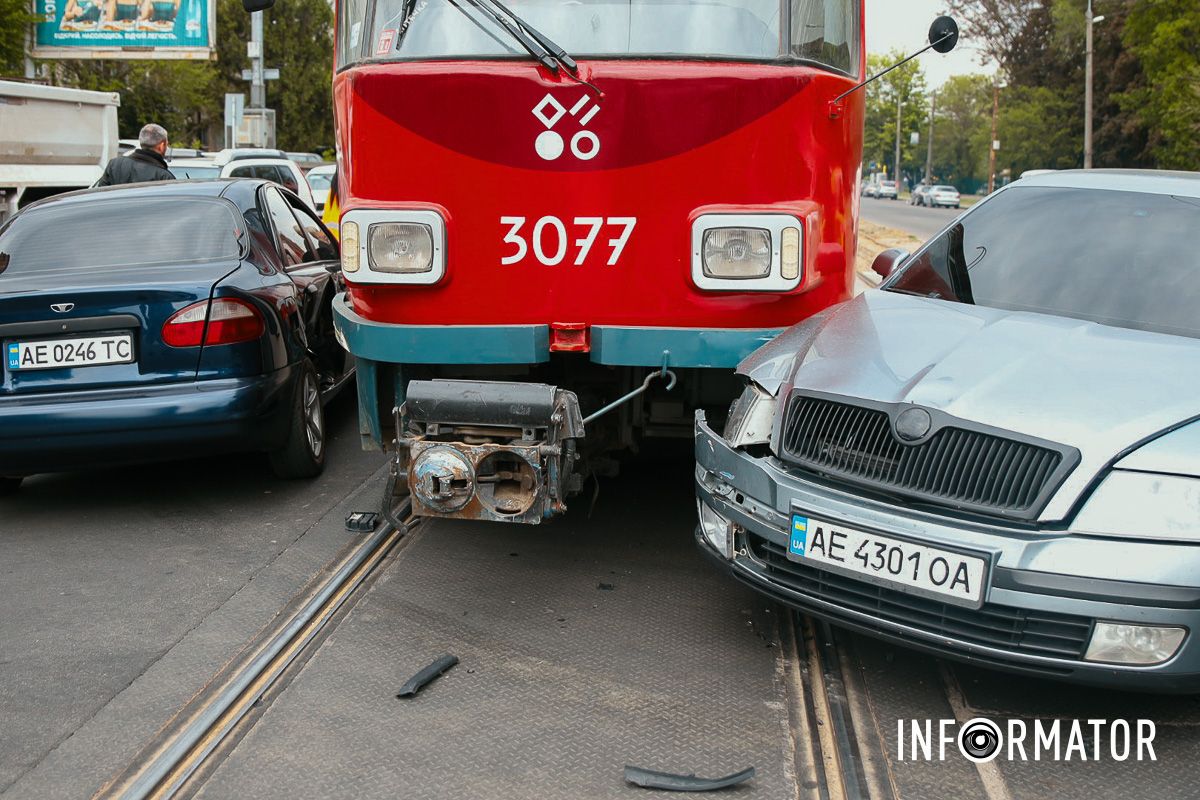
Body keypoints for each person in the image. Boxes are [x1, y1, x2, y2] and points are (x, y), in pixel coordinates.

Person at [97, 124, 175, 186]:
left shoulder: (115, 164)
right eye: (166, 144)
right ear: (161, 145)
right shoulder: (164, 177)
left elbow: (100, 193)